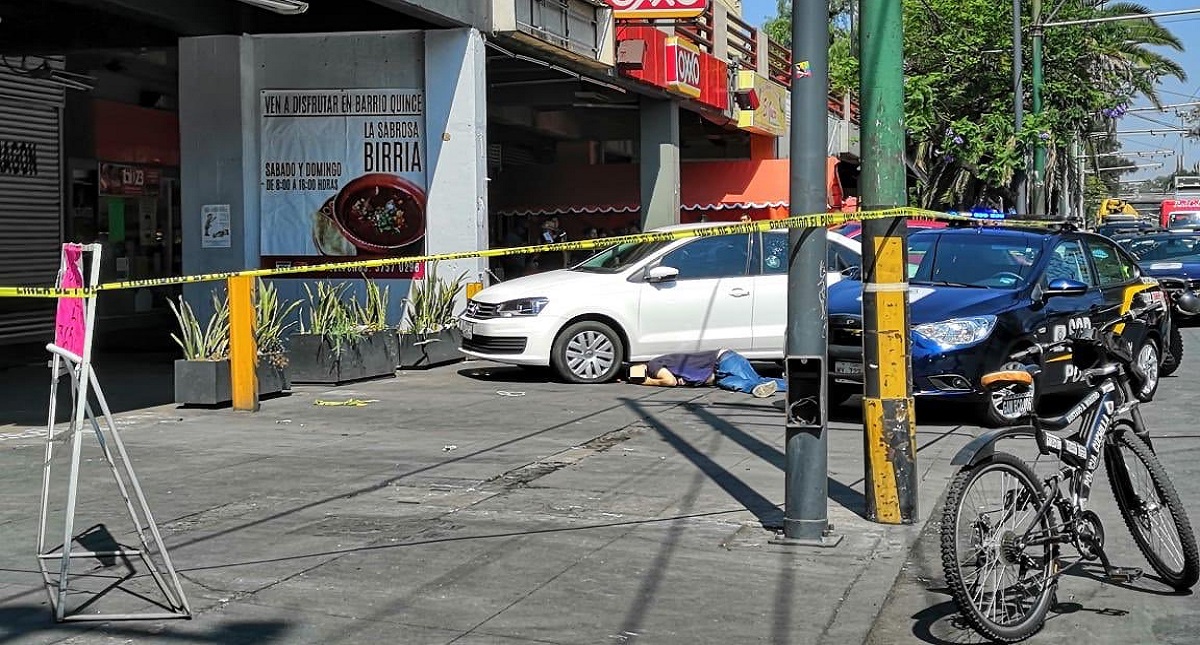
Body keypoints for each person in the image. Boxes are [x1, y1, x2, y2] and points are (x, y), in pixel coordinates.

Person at [628, 349, 786, 398]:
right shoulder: (661, 365)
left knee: (757, 379)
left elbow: (669, 381)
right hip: (717, 377)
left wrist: (647, 381)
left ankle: (793, 385)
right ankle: (757, 389)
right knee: (737, 384)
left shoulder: (654, 365)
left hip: (722, 360)